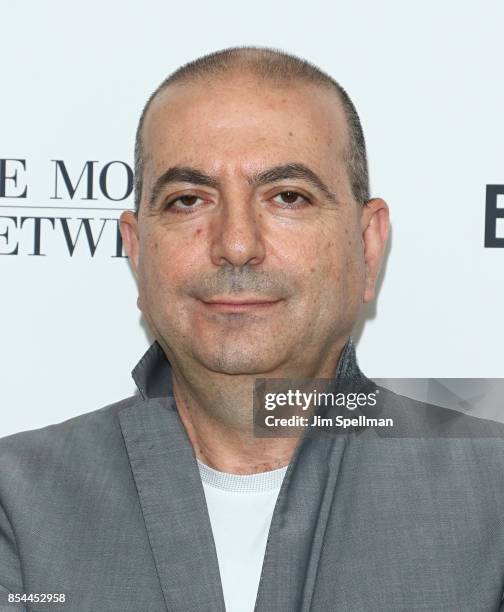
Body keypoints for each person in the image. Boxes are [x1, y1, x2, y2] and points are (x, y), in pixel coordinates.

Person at [1, 47, 504, 612]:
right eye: (188, 200)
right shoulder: (17, 505)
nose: (236, 243)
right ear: (137, 252)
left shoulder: (494, 497)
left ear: (367, 245)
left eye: (288, 197)